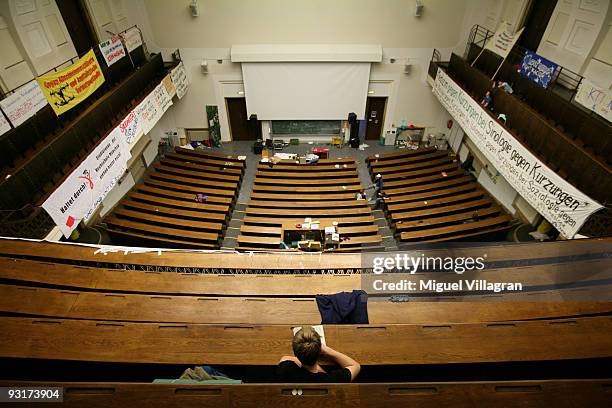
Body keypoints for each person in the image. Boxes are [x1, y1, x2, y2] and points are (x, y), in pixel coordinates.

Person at [277, 326, 360, 383]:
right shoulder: (332, 380)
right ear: (319, 351)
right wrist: (327, 350)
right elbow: (355, 366)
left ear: (295, 353)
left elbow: (285, 358)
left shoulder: (286, 370)